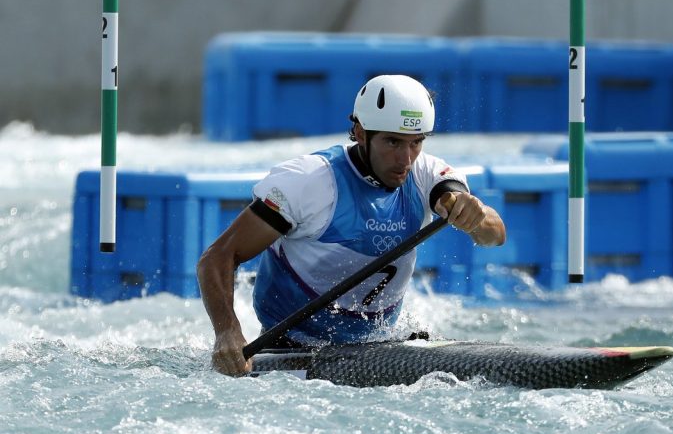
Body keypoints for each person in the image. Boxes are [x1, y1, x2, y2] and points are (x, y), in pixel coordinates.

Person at [198, 75, 506, 376]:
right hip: (288, 348)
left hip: (377, 346)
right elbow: (218, 257)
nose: (406, 159)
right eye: (392, 142)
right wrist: (227, 333)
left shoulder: (429, 174)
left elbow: (495, 236)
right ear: (360, 132)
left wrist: (476, 215)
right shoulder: (309, 182)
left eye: (416, 143)